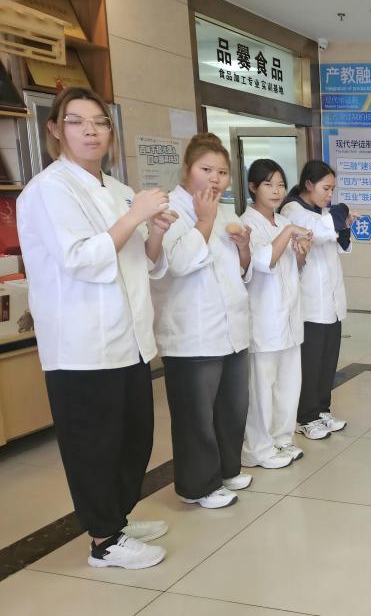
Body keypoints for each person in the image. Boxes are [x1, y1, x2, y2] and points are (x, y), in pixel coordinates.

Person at [16, 87, 175, 569]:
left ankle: (117, 519)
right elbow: (80, 259)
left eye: (99, 122)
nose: (90, 131)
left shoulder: (119, 189)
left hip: (129, 340)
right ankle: (104, 539)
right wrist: (136, 215)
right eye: (76, 121)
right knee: (94, 445)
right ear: (55, 129)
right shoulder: (48, 190)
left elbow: (143, 262)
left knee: (134, 438)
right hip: (82, 344)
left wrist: (155, 231)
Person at [152, 133, 255, 509]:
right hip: (191, 332)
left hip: (232, 326)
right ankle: (198, 485)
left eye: (222, 172)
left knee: (232, 406)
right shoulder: (168, 210)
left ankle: (227, 469)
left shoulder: (227, 212)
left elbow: (240, 270)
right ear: (187, 169)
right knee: (196, 414)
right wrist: (204, 221)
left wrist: (244, 249)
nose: (215, 178)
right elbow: (176, 264)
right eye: (206, 169)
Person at [240, 159, 314, 468]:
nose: (277, 191)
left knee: (288, 384)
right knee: (262, 389)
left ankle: (282, 438)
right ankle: (257, 448)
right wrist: (289, 233)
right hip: (264, 320)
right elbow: (262, 261)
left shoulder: (282, 221)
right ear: (253, 188)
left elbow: (292, 268)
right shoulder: (246, 223)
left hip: (289, 318)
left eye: (281, 184)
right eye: (269, 184)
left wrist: (301, 254)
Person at [281, 160, 350, 438]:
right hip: (310, 303)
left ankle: (322, 409)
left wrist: (343, 224)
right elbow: (317, 231)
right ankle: (305, 417)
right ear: (308, 184)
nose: (330, 194)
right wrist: (340, 215)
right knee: (310, 363)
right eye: (326, 188)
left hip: (331, 300)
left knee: (327, 360)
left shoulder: (321, 212)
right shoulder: (292, 210)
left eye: (333, 189)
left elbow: (336, 239)